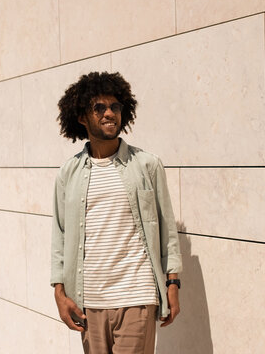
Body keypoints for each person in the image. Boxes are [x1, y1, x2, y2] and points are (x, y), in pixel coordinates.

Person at [50, 71, 182, 354]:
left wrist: (173, 282)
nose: (109, 113)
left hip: (137, 295)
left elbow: (167, 228)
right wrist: (59, 293)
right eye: (99, 107)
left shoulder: (147, 165)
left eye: (115, 107)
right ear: (82, 117)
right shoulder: (68, 174)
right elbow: (59, 237)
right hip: (89, 302)